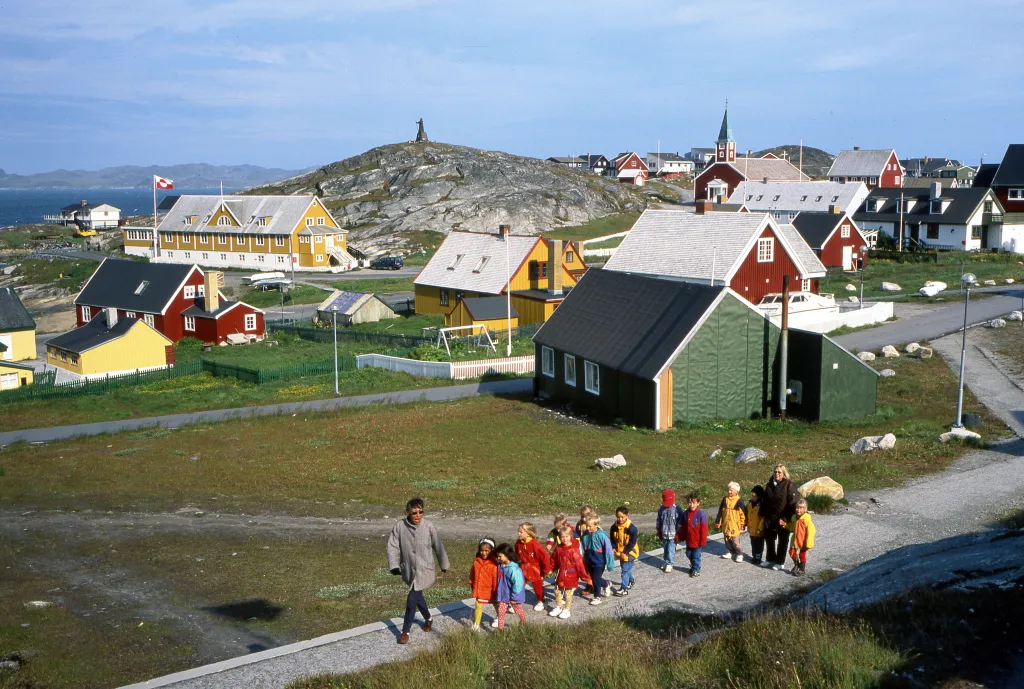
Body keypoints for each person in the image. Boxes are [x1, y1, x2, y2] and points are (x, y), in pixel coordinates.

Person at [386, 497, 450, 644]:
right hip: (409, 570)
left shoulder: (428, 526)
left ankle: (405, 632)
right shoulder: (400, 527)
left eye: (421, 512)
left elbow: (437, 545)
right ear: (408, 512)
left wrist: (444, 564)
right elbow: (393, 546)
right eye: (414, 512)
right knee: (418, 597)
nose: (418, 515)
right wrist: (394, 565)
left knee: (411, 600)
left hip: (425, 570)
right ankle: (428, 618)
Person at [760, 464, 799, 571]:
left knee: (783, 540)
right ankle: (770, 559)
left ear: (784, 473)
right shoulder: (769, 485)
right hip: (770, 517)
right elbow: (764, 501)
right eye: (775, 472)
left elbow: (793, 502)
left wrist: (785, 518)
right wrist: (763, 515)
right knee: (769, 539)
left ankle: (780, 562)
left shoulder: (789, 485)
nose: (777, 474)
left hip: (782, 517)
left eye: (779, 472)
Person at [548, 525, 592, 620]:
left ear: (571, 536)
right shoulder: (559, 548)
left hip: (571, 575)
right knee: (557, 590)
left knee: (568, 593)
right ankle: (559, 607)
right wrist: (551, 569)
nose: (564, 539)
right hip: (560, 573)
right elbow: (553, 560)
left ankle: (567, 609)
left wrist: (584, 576)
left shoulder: (574, 550)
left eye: (566, 536)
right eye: (562, 536)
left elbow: (579, 564)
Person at [515, 522, 552, 612]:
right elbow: (516, 555)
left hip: (535, 569)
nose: (518, 534)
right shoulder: (518, 544)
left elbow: (544, 557)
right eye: (518, 532)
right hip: (523, 568)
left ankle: (541, 601)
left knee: (538, 587)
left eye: (521, 532)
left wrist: (547, 569)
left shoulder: (535, 544)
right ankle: (516, 602)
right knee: (518, 585)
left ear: (528, 533)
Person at [581, 514, 616, 605]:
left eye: (589, 526)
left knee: (595, 579)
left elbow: (608, 551)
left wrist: (610, 564)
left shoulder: (602, 536)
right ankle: (606, 584)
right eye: (586, 525)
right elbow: (583, 549)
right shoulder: (585, 535)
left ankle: (597, 597)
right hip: (590, 561)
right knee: (594, 578)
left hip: (599, 562)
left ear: (596, 525)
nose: (587, 528)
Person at [467, 538, 498, 631]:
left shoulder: (495, 564)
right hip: (480, 590)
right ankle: (476, 624)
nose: (483, 553)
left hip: (492, 590)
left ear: (492, 551)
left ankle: (500, 617)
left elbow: (496, 578)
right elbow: (473, 574)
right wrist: (472, 583)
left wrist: (497, 590)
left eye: (486, 551)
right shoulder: (476, 562)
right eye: (481, 550)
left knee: (496, 604)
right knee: (478, 605)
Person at [494, 543, 528, 628]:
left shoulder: (513, 569)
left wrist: (514, 597)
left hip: (513, 596)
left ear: (507, 555)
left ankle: (523, 622)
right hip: (504, 594)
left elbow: (518, 585)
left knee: (518, 610)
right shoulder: (501, 565)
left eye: (500, 556)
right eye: (497, 556)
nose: (498, 558)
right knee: (501, 611)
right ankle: (500, 629)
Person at [609, 505, 640, 596]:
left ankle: (624, 589)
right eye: (618, 517)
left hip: (630, 552)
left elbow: (632, 542)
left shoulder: (632, 528)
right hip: (620, 552)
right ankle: (631, 581)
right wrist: (613, 547)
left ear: (627, 516)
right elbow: (612, 539)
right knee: (626, 569)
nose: (620, 519)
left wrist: (625, 552)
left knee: (624, 571)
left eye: (622, 517)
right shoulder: (614, 527)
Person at [714, 482, 747, 563]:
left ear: (736, 492)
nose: (729, 492)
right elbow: (720, 511)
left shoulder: (739, 501)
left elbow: (743, 514)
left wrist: (743, 524)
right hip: (726, 524)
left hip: (734, 525)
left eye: (731, 490)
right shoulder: (725, 499)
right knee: (727, 539)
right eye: (728, 490)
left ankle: (739, 554)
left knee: (735, 541)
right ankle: (730, 551)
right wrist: (718, 521)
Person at [656, 489, 685, 573]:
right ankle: (666, 561)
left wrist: (678, 533)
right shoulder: (661, 509)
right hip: (664, 533)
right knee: (665, 548)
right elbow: (659, 520)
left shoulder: (677, 509)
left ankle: (670, 563)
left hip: (673, 534)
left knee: (671, 548)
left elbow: (680, 522)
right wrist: (658, 530)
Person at [786, 498, 816, 576]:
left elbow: (811, 531)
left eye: (801, 508)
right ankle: (797, 565)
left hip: (803, 540)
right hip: (795, 539)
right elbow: (792, 528)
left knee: (802, 555)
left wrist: (809, 543)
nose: (798, 510)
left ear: (805, 509)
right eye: (797, 508)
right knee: (791, 552)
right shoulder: (793, 518)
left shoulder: (807, 519)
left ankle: (802, 569)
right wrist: (785, 525)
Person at [682, 493, 709, 578]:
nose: (691, 505)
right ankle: (694, 566)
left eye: (693, 502)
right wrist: (681, 536)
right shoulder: (685, 513)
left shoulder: (701, 514)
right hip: (689, 540)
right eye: (690, 502)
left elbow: (704, 529)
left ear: (698, 503)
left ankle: (696, 570)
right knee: (688, 554)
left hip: (697, 541)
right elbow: (683, 526)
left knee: (696, 556)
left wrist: (703, 540)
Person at [746, 485, 767, 566]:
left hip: (758, 530)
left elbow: (763, 518)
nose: (753, 497)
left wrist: (760, 528)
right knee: (753, 543)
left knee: (759, 545)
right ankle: (754, 556)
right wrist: (746, 524)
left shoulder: (761, 506)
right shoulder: (749, 504)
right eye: (752, 495)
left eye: (755, 496)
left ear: (759, 496)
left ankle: (758, 558)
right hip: (751, 529)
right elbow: (747, 515)